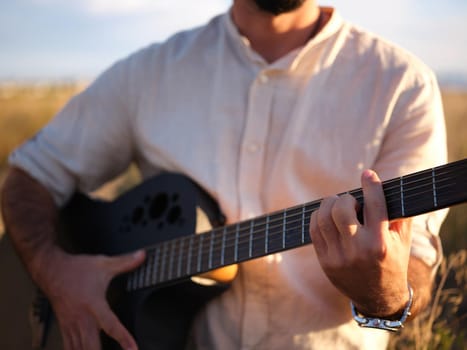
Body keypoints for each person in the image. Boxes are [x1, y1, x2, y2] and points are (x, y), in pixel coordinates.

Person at [1, 0, 448, 349]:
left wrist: (385, 290)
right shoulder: (151, 73)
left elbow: (415, 276)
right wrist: (53, 270)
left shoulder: (402, 85)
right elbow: (29, 174)